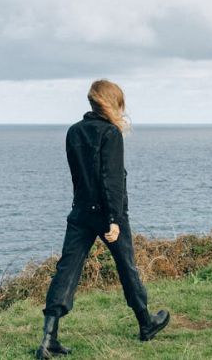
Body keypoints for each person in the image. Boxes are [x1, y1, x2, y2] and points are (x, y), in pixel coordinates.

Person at [36, 79, 170, 359]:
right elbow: (110, 179)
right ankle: (146, 324)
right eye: (119, 103)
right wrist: (113, 219)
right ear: (111, 102)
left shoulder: (73, 132)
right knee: (127, 267)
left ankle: (48, 339)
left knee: (66, 271)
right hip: (109, 214)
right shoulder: (110, 134)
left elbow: (79, 177)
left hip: (81, 211)